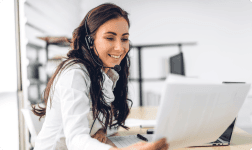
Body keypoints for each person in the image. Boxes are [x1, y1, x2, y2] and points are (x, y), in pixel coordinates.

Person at [32, 3, 169, 150]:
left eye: (124, 39)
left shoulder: (105, 74)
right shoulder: (74, 74)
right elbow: (75, 140)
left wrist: (101, 129)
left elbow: (110, 122)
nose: (120, 47)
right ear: (90, 41)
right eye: (110, 38)